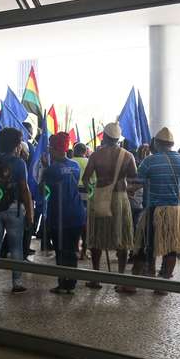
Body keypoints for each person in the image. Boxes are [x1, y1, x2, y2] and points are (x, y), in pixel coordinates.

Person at [133, 127, 180, 287]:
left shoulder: (149, 161)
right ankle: (164, 284)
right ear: (172, 144)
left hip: (153, 209)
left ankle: (136, 281)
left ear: (157, 144)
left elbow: (138, 182)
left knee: (145, 244)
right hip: (175, 210)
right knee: (171, 247)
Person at [83, 123, 137, 293]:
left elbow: (85, 179)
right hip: (120, 199)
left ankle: (96, 277)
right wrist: (129, 190)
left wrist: (93, 190)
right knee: (122, 238)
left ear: (104, 137)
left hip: (99, 198)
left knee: (96, 237)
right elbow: (135, 180)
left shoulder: (95, 156)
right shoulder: (128, 156)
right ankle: (120, 278)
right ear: (118, 138)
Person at [43, 132, 86, 294]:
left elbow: (44, 190)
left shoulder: (51, 170)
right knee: (73, 250)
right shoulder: (74, 166)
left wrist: (45, 167)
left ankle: (62, 283)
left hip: (59, 216)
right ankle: (71, 283)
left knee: (61, 251)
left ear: (53, 149)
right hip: (76, 213)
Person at [0, 127, 34, 293]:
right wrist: (30, 213)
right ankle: (17, 283)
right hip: (14, 209)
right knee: (16, 247)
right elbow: (24, 189)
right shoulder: (19, 163)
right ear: (16, 145)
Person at [72, 142, 90, 259]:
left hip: (72, 194)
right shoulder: (88, 162)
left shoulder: (70, 162)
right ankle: (84, 250)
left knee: (73, 222)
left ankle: (74, 249)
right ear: (85, 152)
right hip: (86, 195)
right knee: (85, 223)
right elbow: (93, 180)